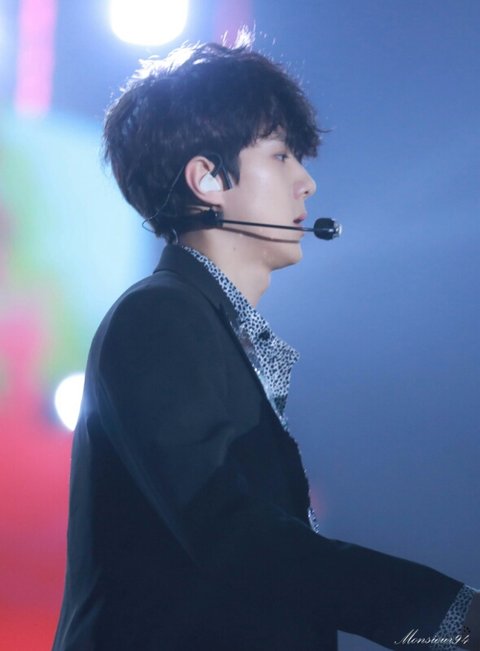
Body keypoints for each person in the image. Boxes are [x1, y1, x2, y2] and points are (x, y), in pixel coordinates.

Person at [52, 34, 479, 651]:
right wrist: (453, 618)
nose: (306, 182)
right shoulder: (158, 317)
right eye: (280, 156)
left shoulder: (199, 321)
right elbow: (234, 536)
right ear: (206, 178)